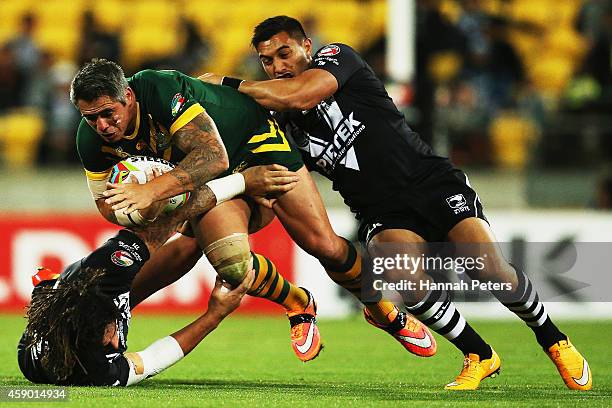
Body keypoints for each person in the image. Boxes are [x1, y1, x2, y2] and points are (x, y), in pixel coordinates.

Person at [199, 15, 592, 391]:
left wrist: (231, 83)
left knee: (490, 271)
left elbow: (303, 94)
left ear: (307, 45)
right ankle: (479, 354)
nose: (277, 66)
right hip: (380, 211)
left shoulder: (337, 58)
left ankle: (553, 340)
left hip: (429, 182)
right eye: (266, 61)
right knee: (407, 281)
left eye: (284, 53)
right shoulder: (279, 121)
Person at [70, 59, 435, 363]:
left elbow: (214, 155)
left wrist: (151, 191)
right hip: (198, 175)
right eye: (91, 118)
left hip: (254, 143)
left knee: (323, 245)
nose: (102, 126)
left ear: (128, 96)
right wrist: (132, 212)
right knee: (224, 259)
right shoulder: (91, 140)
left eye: (108, 113)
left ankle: (380, 306)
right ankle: (298, 302)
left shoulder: (159, 89)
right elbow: (106, 204)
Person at [17, 166, 287, 386]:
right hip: (53, 333)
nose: (115, 341)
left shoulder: (111, 268)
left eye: (109, 331)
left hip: (74, 285)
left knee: (186, 230)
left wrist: (242, 181)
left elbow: (176, 217)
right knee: (190, 245)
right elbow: (153, 358)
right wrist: (214, 314)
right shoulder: (97, 372)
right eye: (108, 339)